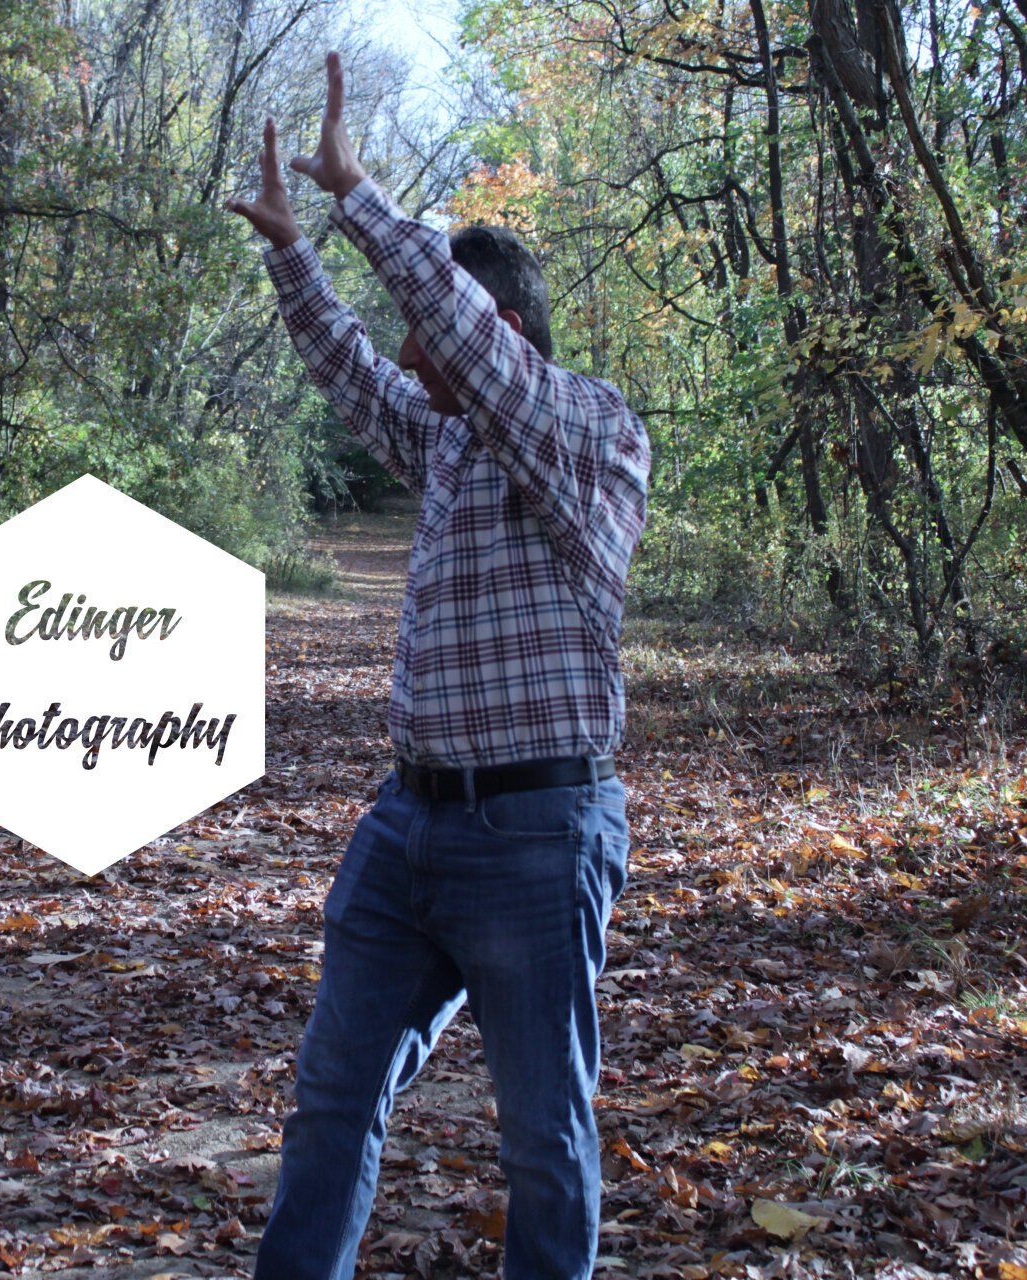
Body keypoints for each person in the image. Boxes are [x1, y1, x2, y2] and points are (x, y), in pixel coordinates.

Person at [226, 54, 650, 1280]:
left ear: (497, 330)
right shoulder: (457, 444)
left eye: (438, 331)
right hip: (409, 827)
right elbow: (356, 375)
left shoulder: (590, 430)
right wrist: (294, 252)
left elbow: (453, 337)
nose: (414, 355)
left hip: (538, 835)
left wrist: (358, 195)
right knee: (333, 1096)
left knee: (541, 1137)